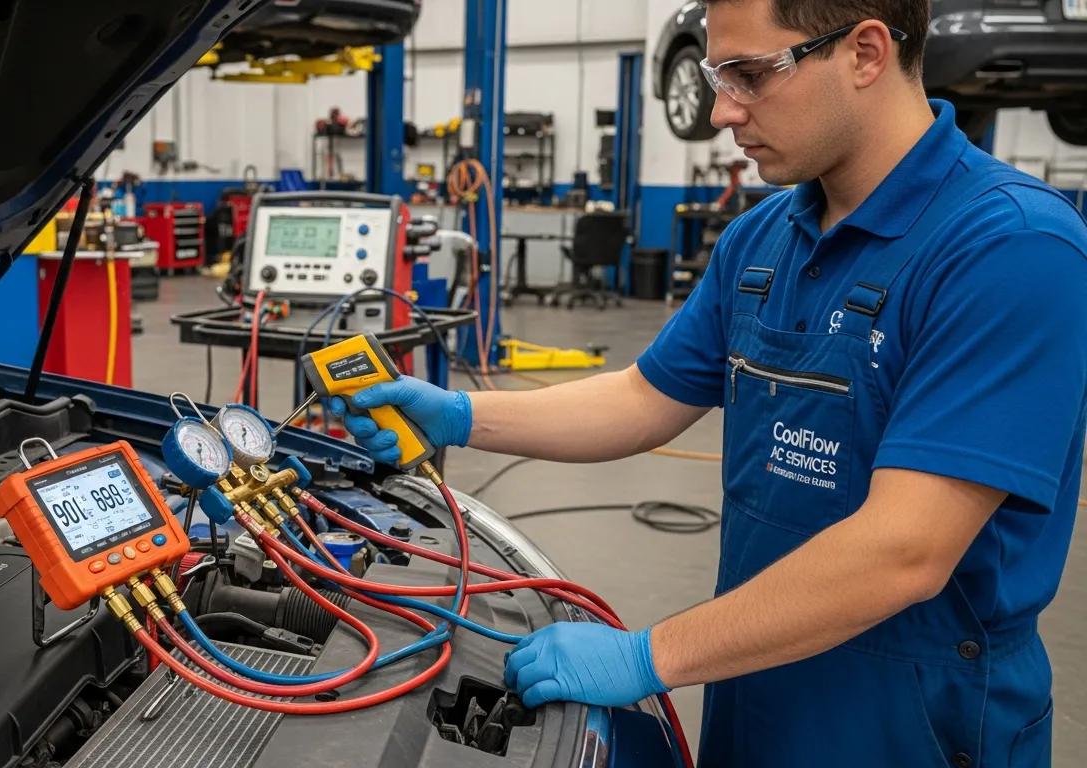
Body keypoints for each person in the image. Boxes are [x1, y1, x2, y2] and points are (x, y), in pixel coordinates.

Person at [327, 1, 1087, 765]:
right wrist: (458, 416)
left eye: (750, 75)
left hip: (915, 720)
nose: (723, 109)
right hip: (755, 667)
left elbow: (903, 550)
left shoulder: (1011, 248)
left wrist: (648, 657)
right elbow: (644, 398)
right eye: (717, 77)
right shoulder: (763, 237)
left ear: (864, 53)